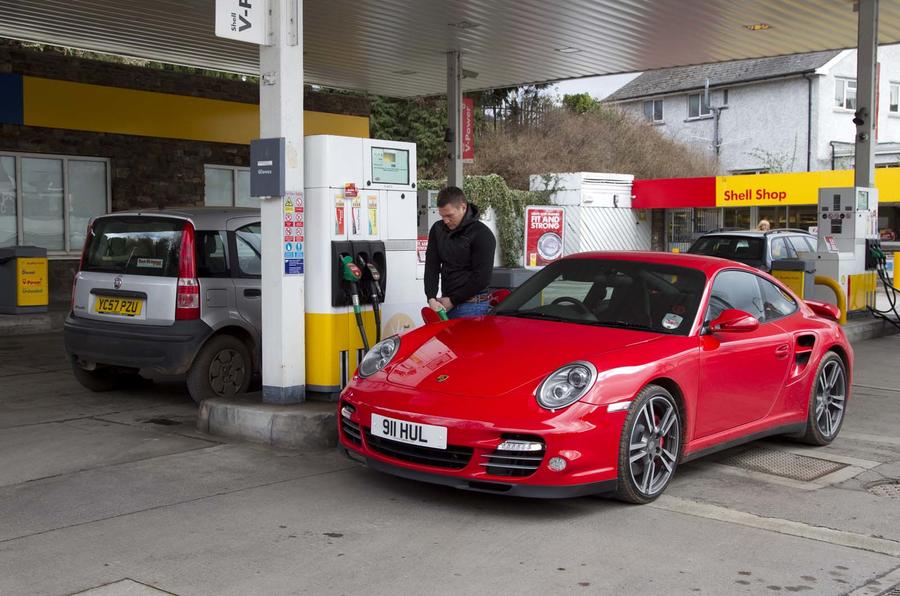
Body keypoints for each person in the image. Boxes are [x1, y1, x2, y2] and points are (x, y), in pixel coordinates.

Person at [424, 186, 497, 319]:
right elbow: (431, 265)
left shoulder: (482, 234)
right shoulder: (438, 229)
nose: (445, 221)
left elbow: (481, 278)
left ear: (463, 207)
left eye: (449, 215)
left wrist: (453, 300)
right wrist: (431, 297)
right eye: (442, 216)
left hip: (473, 305)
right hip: (445, 303)